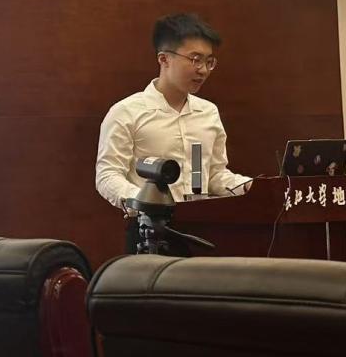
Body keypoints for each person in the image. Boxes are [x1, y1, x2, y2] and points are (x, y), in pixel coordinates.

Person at [96, 13, 251, 221]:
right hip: (149, 227)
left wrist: (250, 187)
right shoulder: (126, 112)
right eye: (195, 59)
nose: (203, 70)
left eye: (209, 61)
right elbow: (107, 175)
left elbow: (214, 175)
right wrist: (145, 201)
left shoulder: (208, 112)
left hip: (202, 225)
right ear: (164, 59)